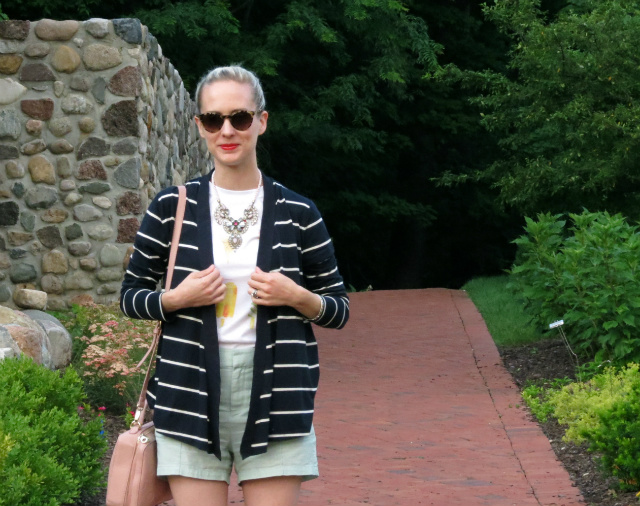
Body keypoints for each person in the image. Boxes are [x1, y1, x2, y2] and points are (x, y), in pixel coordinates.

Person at [120, 65, 349, 506]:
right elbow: (131, 298)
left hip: (279, 393)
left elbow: (338, 307)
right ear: (200, 127)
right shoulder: (172, 206)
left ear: (261, 121)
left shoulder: (299, 212)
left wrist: (296, 297)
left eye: (240, 118)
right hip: (188, 389)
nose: (227, 130)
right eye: (213, 119)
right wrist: (175, 299)